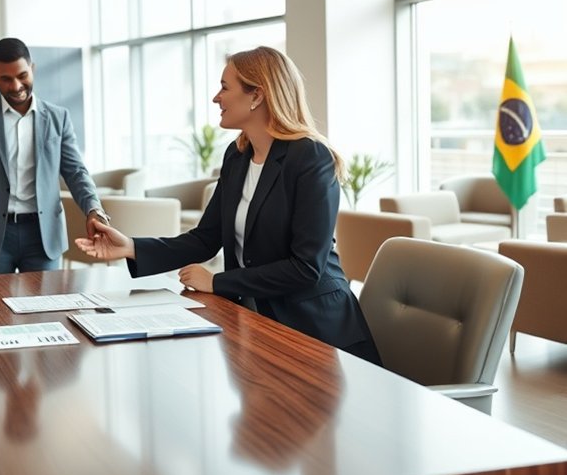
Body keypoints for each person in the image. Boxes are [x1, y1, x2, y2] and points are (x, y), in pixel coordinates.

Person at [76, 46, 381, 364]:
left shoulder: (310, 158)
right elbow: (206, 238)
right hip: (254, 323)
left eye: (224, 87)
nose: (216, 98)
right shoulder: (237, 157)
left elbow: (306, 267)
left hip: (315, 330)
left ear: (257, 95)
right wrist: (130, 248)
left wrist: (216, 282)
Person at [0, 38, 109, 274]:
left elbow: (76, 172)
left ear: (33, 68)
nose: (17, 85)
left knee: (46, 308)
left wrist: (94, 209)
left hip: (43, 235)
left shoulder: (58, 118)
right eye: (6, 79)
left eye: (22, 75)